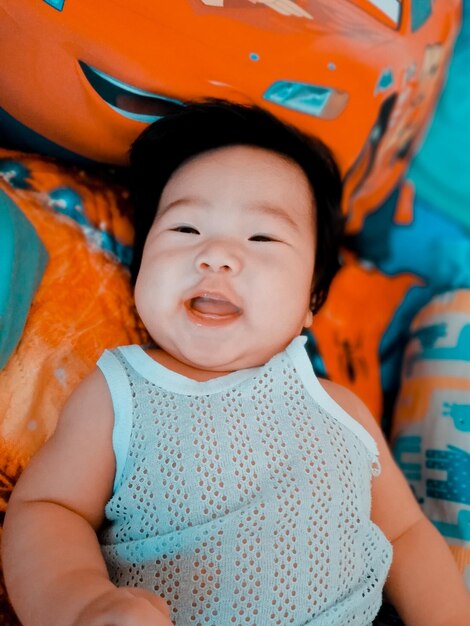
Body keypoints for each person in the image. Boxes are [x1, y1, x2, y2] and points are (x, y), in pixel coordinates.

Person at [2, 101, 469, 626]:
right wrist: (81, 603)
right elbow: (49, 510)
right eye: (184, 230)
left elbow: (406, 536)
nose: (216, 255)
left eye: (262, 237)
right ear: (140, 272)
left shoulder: (342, 409)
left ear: (312, 298)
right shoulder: (122, 393)